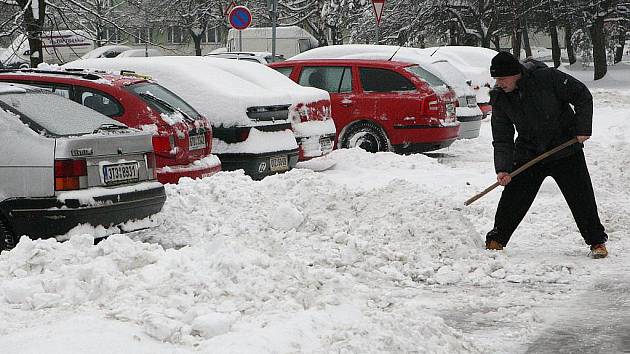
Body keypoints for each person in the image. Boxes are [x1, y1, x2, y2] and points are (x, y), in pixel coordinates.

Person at [485, 51, 608, 259]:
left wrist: (583, 128)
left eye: (503, 78)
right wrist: (503, 168)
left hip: (564, 148)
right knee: (514, 196)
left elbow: (582, 95)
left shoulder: (548, 78)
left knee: (581, 197)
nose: (500, 83)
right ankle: (497, 239)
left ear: (516, 74)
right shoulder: (500, 98)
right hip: (529, 152)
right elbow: (502, 137)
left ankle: (597, 241)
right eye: (496, 79)